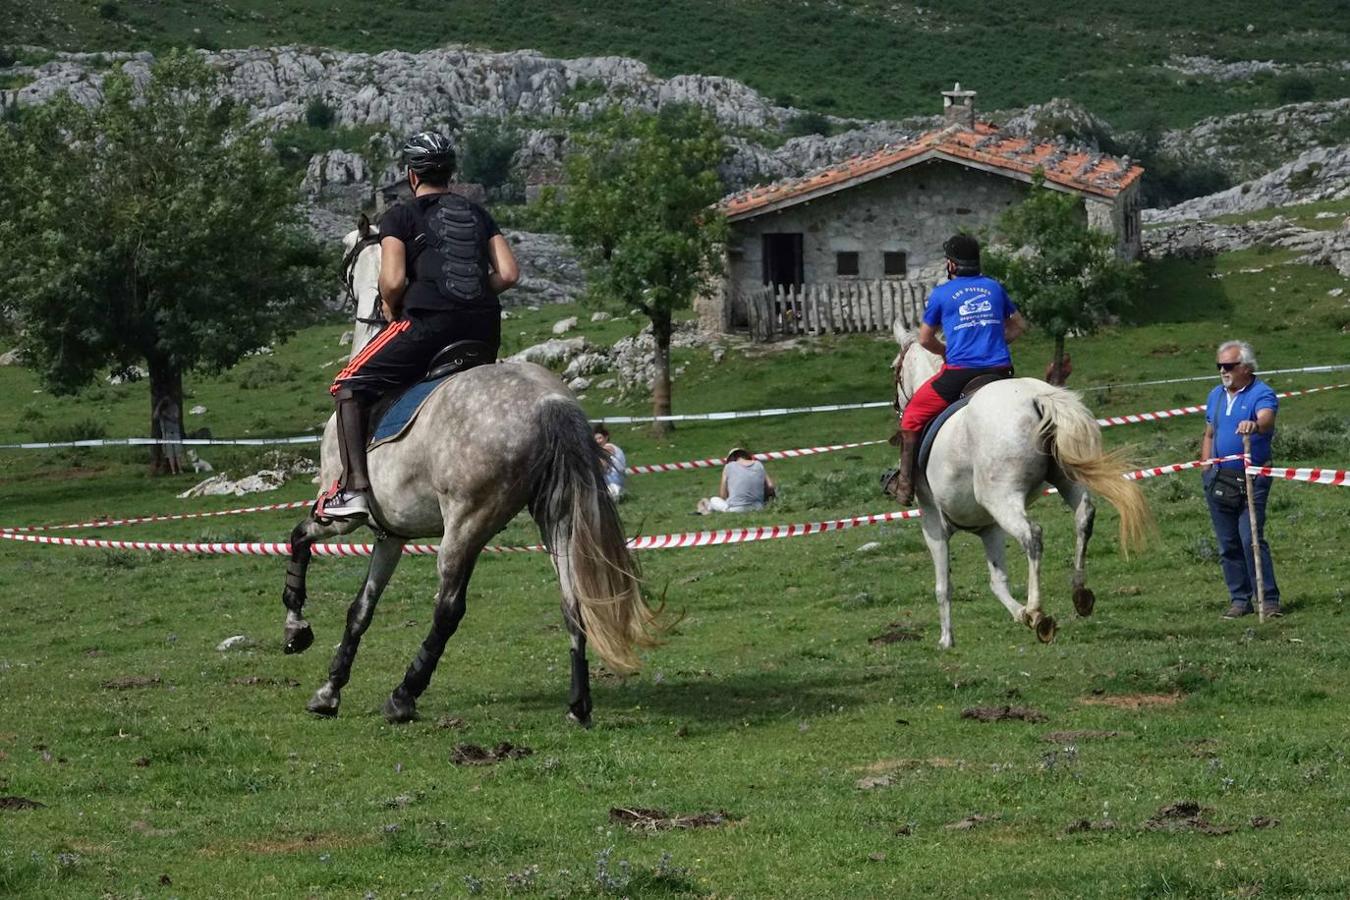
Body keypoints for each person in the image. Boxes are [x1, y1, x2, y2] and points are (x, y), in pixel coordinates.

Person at [321, 132, 520, 520]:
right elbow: (509, 274)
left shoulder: (400, 215)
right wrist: (476, 291)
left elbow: (392, 281)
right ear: (451, 173)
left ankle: (353, 491)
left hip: (430, 325)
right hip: (483, 330)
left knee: (347, 385)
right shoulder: (478, 212)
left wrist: (393, 306)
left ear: (412, 176)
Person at [885, 234, 1027, 505]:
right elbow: (1019, 325)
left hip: (960, 373)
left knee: (912, 415)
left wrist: (946, 352)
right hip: (1002, 371)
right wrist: (997, 341)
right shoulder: (994, 288)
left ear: (951, 265)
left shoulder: (942, 294)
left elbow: (925, 339)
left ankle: (904, 486)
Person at [1201, 340, 1281, 619]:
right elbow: (1209, 432)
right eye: (1220, 366)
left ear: (1246, 367)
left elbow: (1267, 419)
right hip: (1219, 479)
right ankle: (1239, 599)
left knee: (1250, 538)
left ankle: (1268, 600)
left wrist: (1254, 425)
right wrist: (1206, 468)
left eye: (1229, 366)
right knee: (1228, 543)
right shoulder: (1216, 395)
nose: (1223, 371)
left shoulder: (1262, 393)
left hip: (1253, 477)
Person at [697, 448, 776, 513]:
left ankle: (709, 508)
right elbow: (770, 486)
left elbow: (723, 496)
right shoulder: (758, 464)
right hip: (758, 507)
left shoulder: (729, 467)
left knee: (714, 499)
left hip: (736, 509)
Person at [153, 395, 184, 475]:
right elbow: (155, 416)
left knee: (178, 453)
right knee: (170, 454)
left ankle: (180, 469)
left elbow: (176, 418)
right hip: (166, 434)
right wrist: (159, 405)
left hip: (175, 432)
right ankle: (173, 471)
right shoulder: (161, 410)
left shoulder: (174, 407)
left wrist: (166, 415)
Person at [594, 425, 627, 499]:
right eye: (596, 439)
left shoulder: (608, 447)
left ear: (606, 437)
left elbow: (602, 465)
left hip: (613, 482)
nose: (598, 441)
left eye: (600, 438)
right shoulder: (612, 447)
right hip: (615, 481)